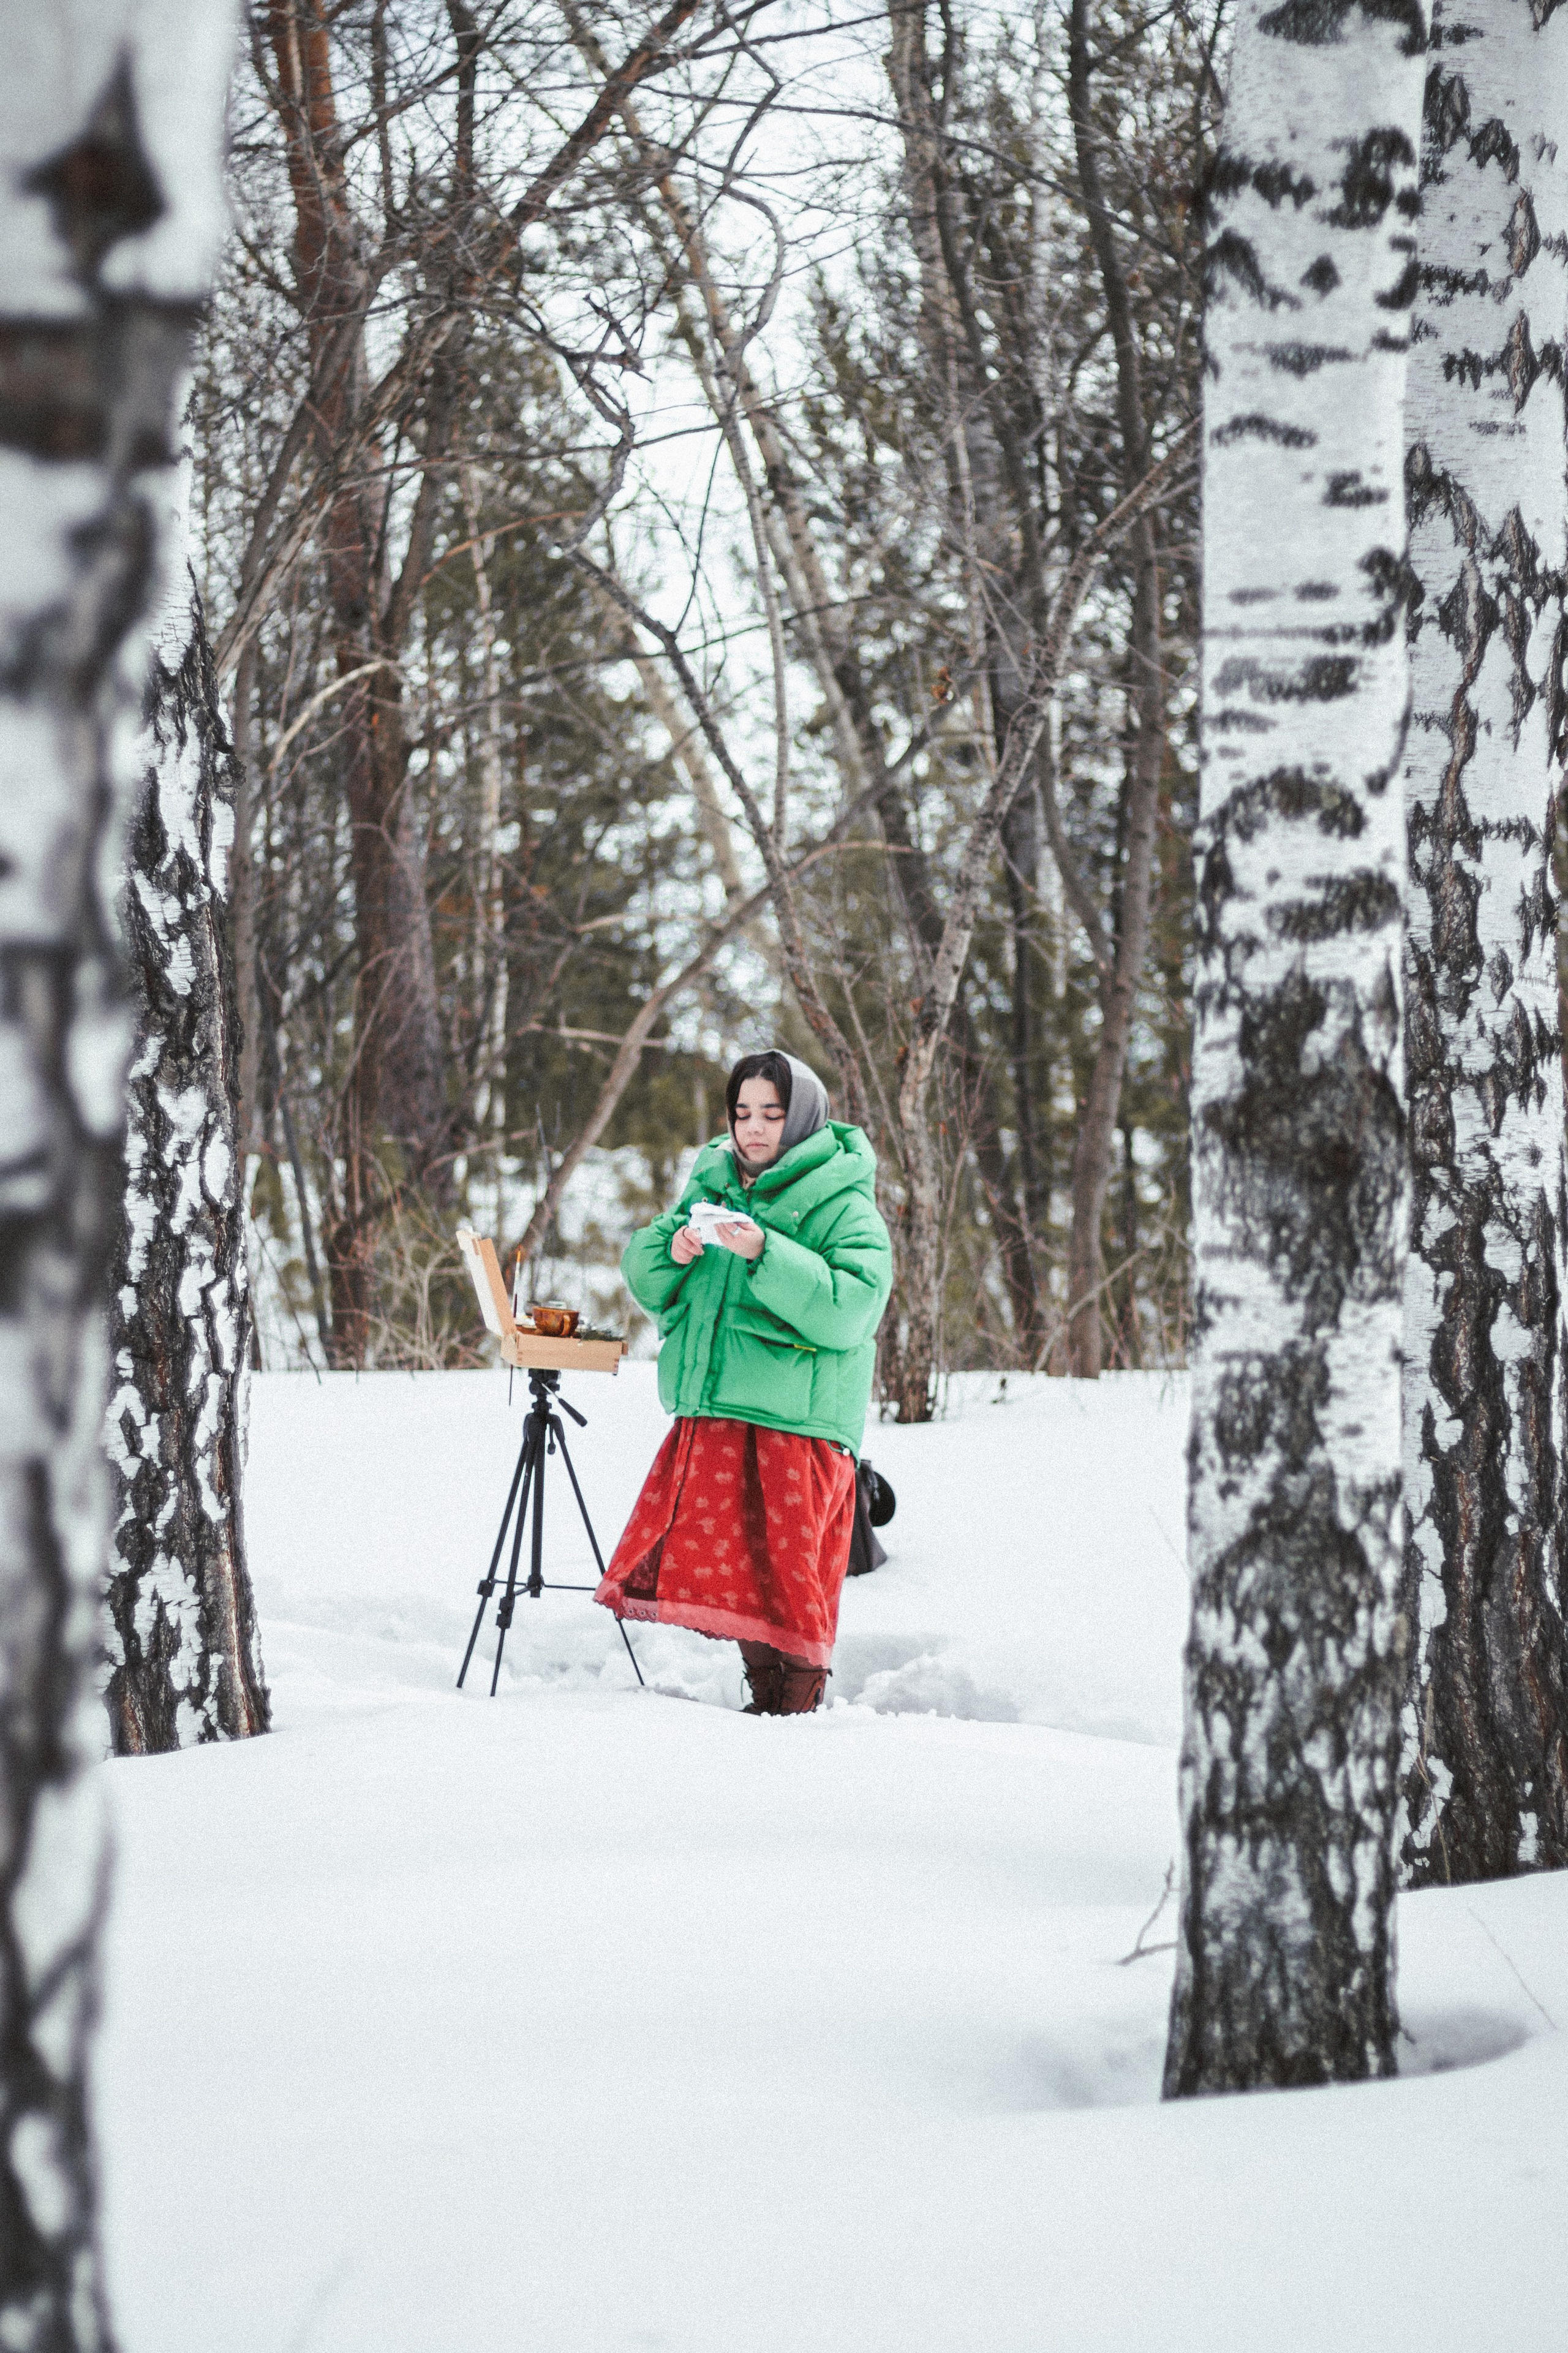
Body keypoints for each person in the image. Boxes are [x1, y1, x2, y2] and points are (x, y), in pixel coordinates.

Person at [595, 1049, 892, 1713]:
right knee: (739, 1575)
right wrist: (670, 1252)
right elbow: (647, 1278)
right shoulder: (712, 1187)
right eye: (742, 1113)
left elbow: (852, 1310)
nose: (753, 1128)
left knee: (788, 1579)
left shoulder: (843, 1204)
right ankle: (764, 1698)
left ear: (804, 1119)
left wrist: (766, 1251)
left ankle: (798, 1704)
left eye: (772, 1113)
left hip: (797, 1424)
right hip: (717, 1410)